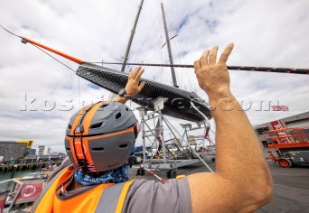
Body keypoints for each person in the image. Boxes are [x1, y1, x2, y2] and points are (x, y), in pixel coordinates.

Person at [32, 43, 272, 213]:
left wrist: (126, 94)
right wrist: (219, 90)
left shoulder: (59, 177)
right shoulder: (135, 202)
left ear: (72, 146)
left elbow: (92, 129)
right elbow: (249, 190)